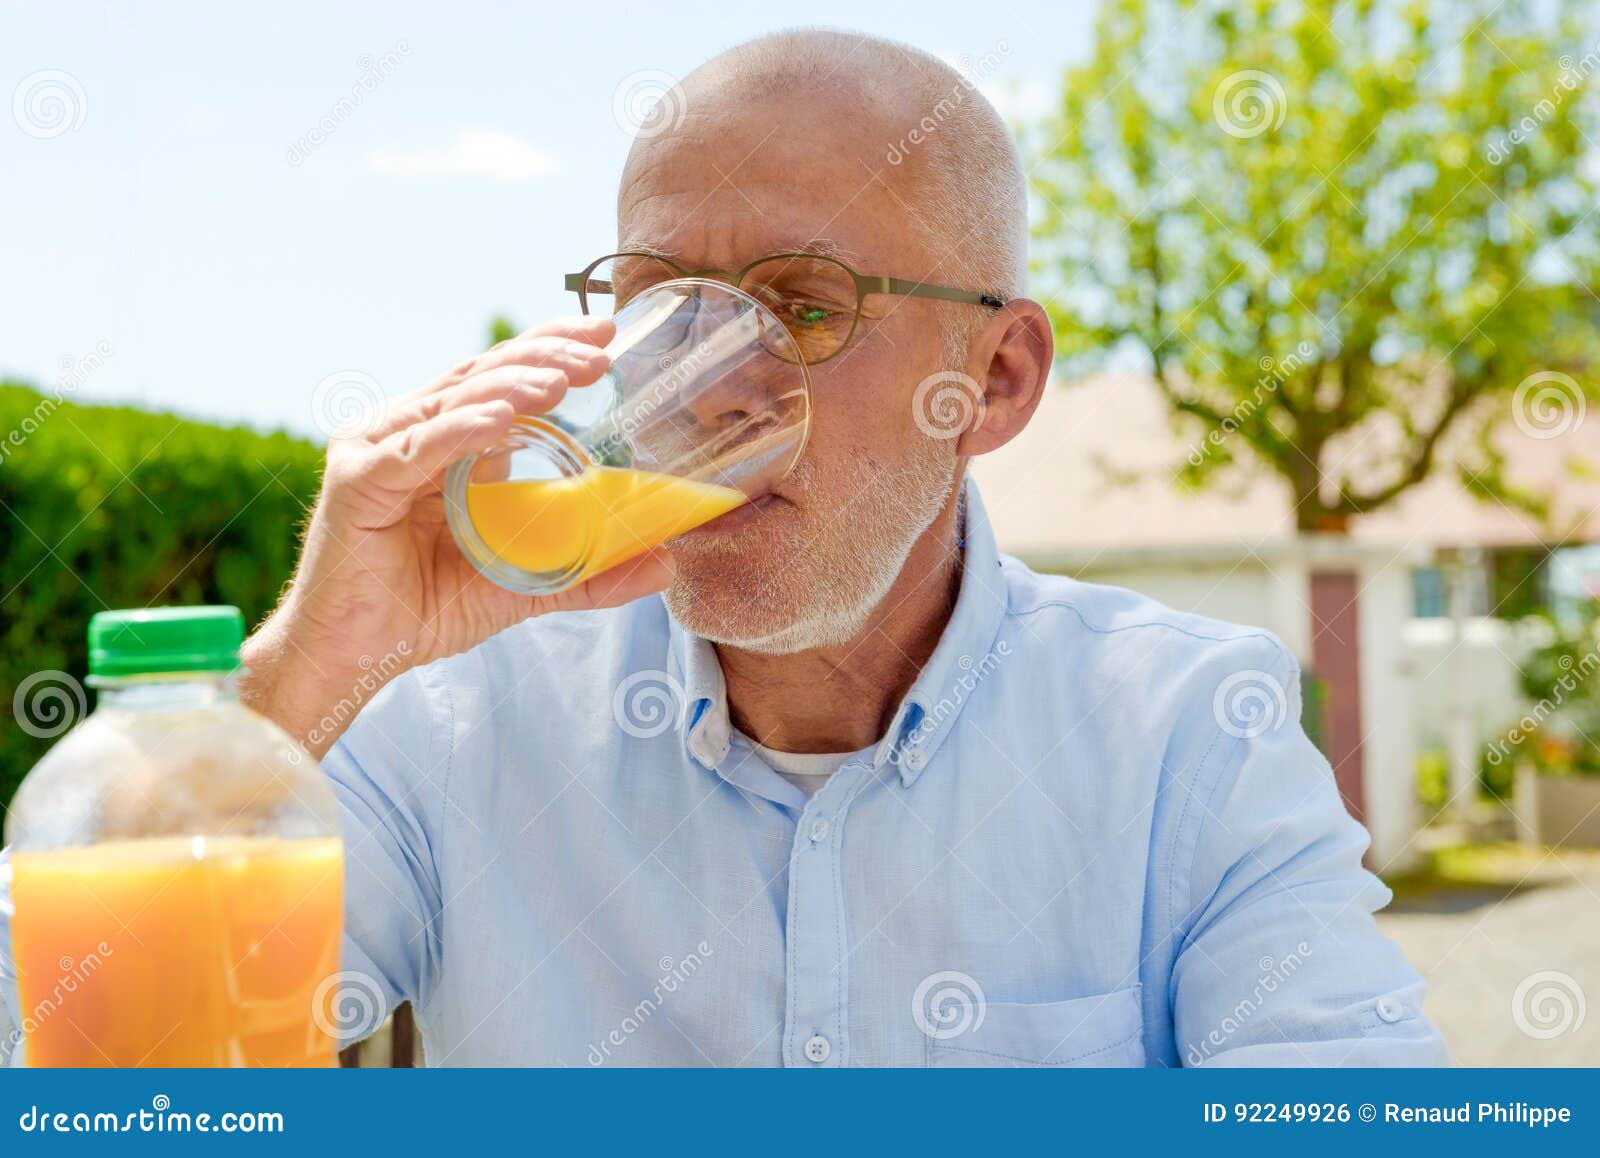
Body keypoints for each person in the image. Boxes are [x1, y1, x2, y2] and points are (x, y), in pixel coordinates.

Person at [0, 28, 1446, 1067]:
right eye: (662, 305)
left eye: (803, 306)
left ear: (994, 382)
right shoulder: (443, 725)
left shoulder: (1187, 731)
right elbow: (94, 1078)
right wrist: (316, 669)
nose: (718, 380)